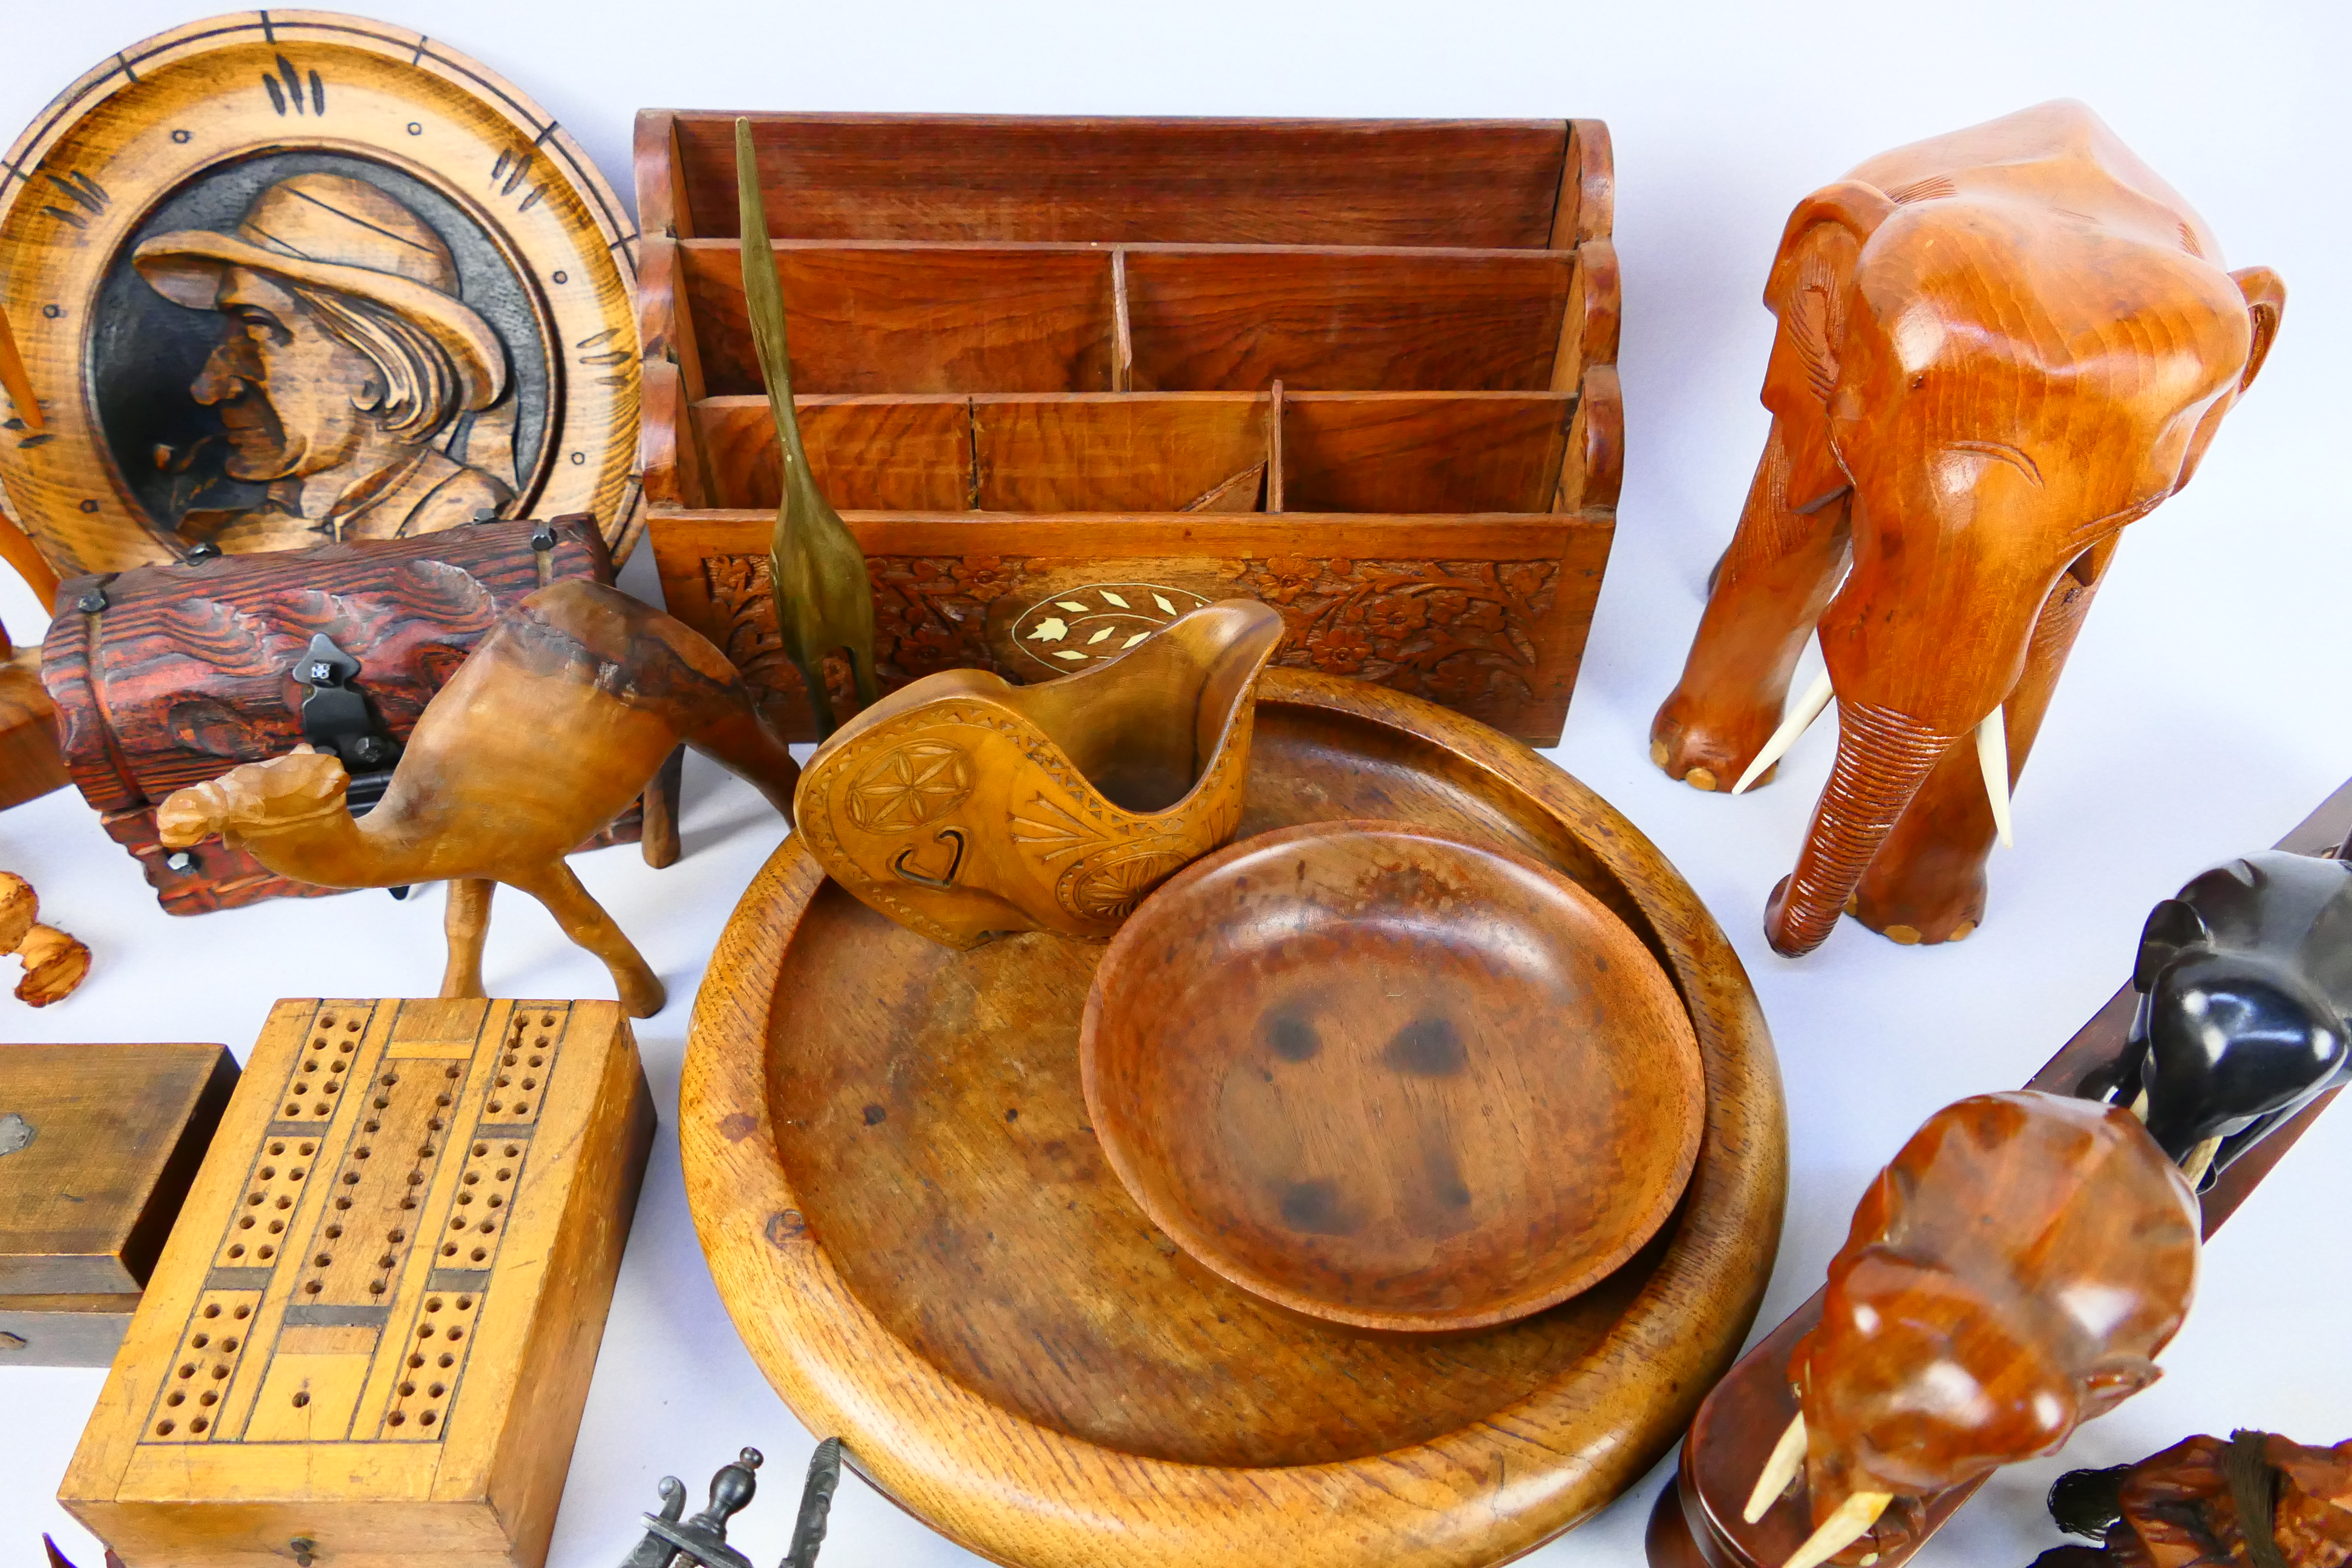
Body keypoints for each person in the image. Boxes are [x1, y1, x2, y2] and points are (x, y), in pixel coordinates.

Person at [133, 172, 514, 550]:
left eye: (257, 330)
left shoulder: (460, 522)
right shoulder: (227, 536)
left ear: (376, 371)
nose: (210, 388)